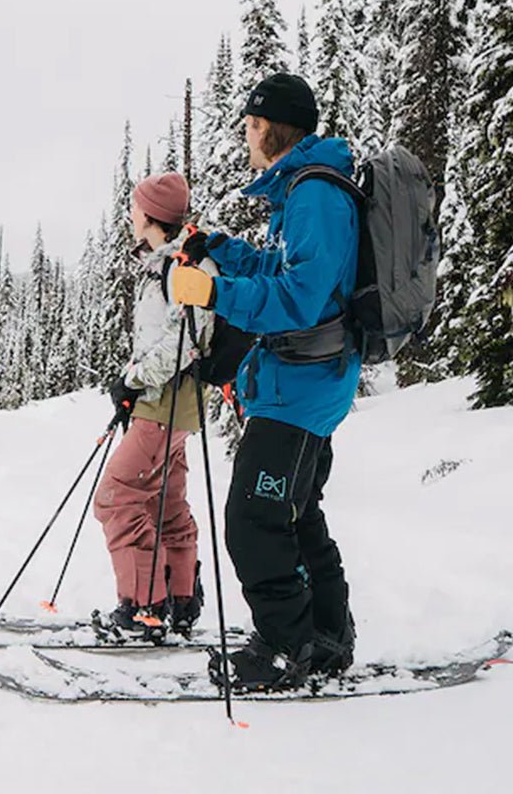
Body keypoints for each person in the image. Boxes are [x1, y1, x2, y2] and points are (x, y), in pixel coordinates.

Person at [171, 72, 361, 690]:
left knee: (252, 519)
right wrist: (217, 249)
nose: (246, 137)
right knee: (295, 514)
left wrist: (214, 292)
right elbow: (279, 268)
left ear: (270, 128)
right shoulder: (300, 193)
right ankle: (325, 636)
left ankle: (282, 647)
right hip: (300, 381)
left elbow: (301, 297)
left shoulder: (315, 196)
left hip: (301, 386)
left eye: (251, 126)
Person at [93, 171, 216, 639]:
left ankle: (144, 607)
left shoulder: (183, 267)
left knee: (118, 496)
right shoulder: (166, 262)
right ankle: (179, 599)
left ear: (150, 215)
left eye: (135, 207)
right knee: (164, 503)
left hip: (164, 402)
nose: (131, 214)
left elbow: (188, 341)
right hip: (169, 405)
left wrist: (133, 379)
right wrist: (131, 383)